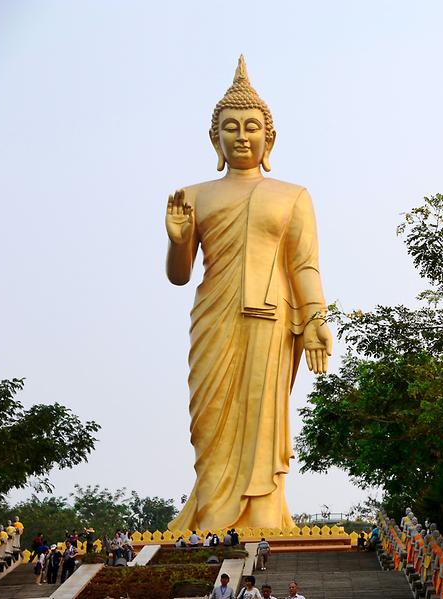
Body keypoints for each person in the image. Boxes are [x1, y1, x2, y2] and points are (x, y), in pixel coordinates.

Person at [166, 56, 332, 532]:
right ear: (214, 138)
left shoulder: (293, 195)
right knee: (208, 419)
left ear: (269, 137)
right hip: (214, 316)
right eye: (231, 127)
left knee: (263, 415)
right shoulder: (194, 195)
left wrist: (318, 319)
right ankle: (212, 513)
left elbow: (304, 264)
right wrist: (179, 240)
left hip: (271, 317)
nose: (242, 136)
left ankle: (262, 509)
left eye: (252, 127)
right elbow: (180, 276)